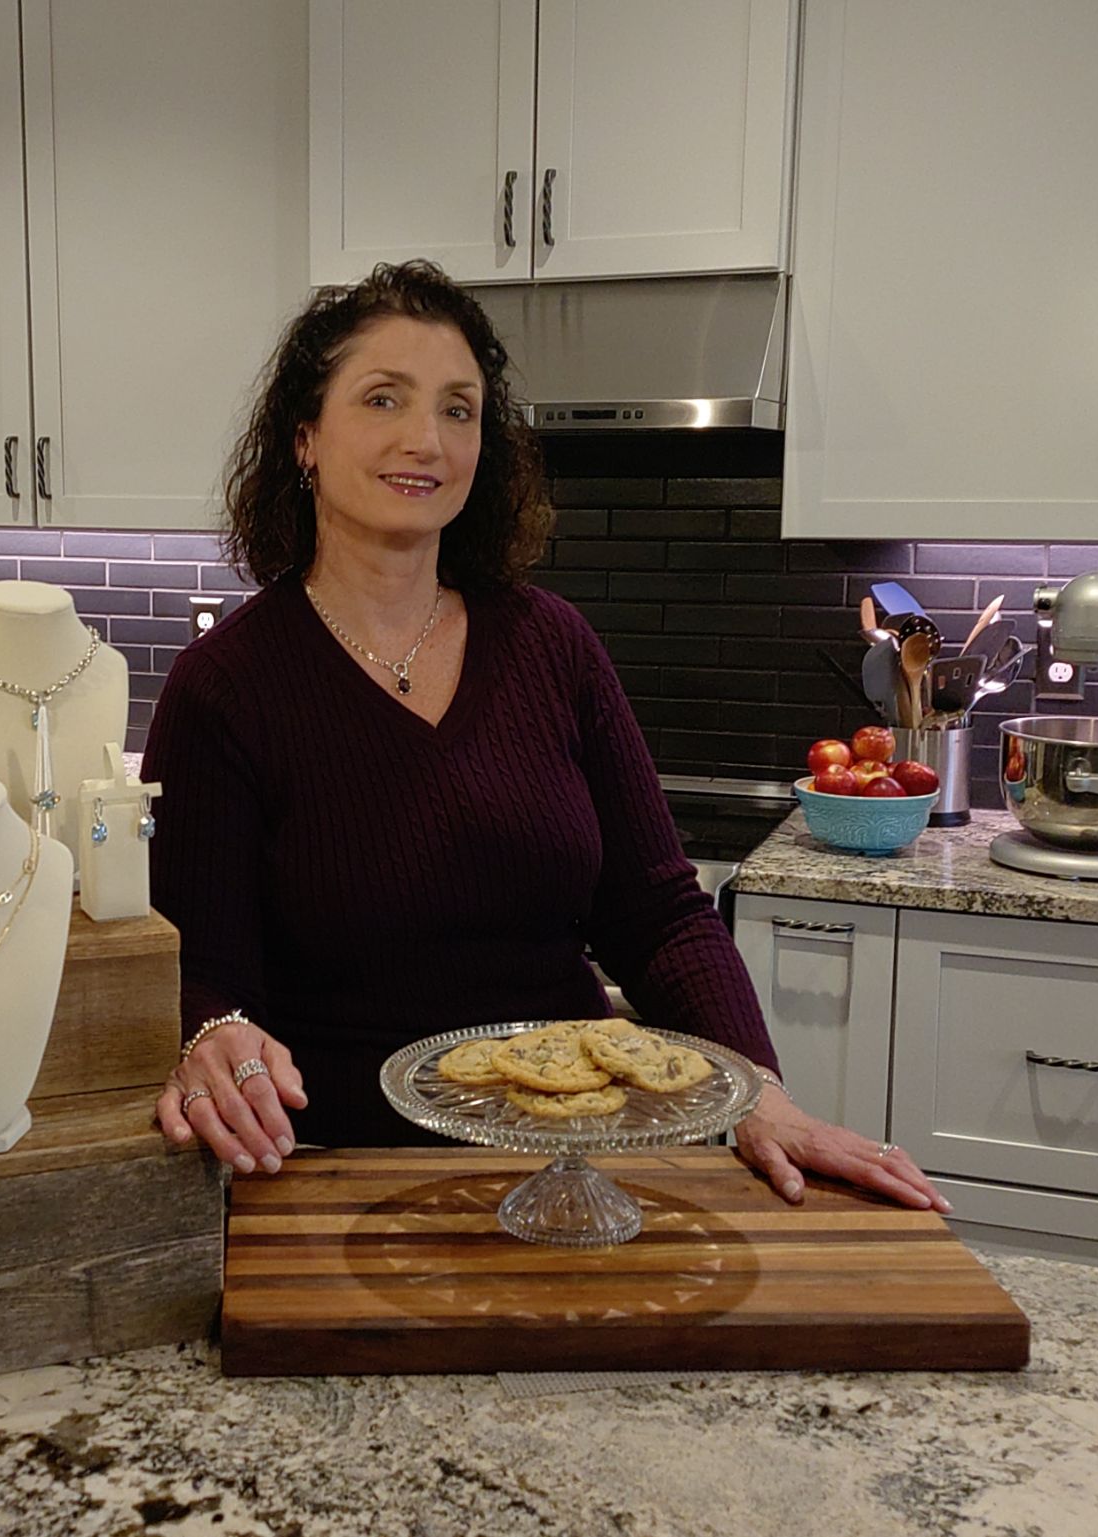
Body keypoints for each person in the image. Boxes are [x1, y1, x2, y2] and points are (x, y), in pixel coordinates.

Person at [142, 261, 948, 1216]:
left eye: (458, 409)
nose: (425, 439)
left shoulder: (550, 644)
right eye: (383, 398)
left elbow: (657, 913)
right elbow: (202, 970)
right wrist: (214, 1034)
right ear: (305, 436)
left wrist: (760, 1095)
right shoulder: (225, 686)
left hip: (574, 1169)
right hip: (338, 1177)